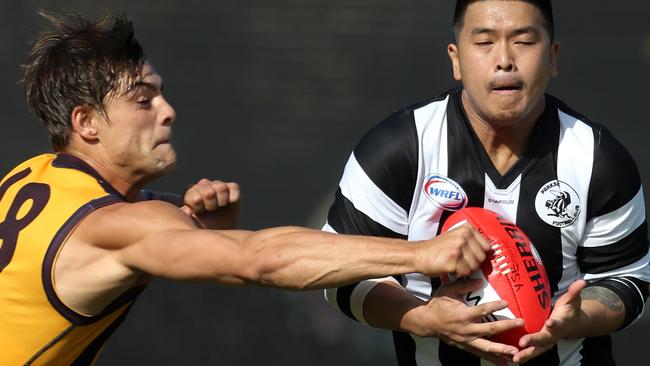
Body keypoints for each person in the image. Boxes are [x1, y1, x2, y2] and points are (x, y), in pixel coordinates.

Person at [0, 11, 506, 365]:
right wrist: (422, 254)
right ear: (86, 122)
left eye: (161, 92)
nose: (167, 110)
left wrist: (207, 231)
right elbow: (262, 261)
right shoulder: (114, 224)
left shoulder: (27, 179)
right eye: (142, 99)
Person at [323, 1, 650, 365]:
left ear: (553, 56)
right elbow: (340, 275)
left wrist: (578, 319)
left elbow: (629, 281)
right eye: (484, 42)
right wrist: (422, 317)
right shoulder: (398, 150)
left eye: (524, 41)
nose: (505, 60)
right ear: (456, 59)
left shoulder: (598, 158)